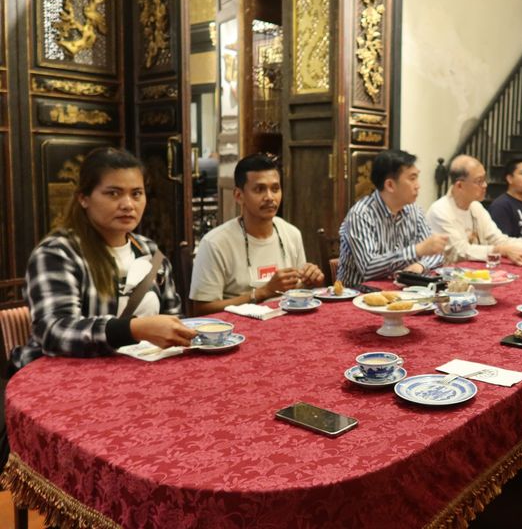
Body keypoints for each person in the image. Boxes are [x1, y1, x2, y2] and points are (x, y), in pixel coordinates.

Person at [12, 147, 196, 373]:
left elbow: (174, 318)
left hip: (139, 372)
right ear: (84, 198)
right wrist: (133, 329)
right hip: (68, 377)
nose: (128, 204)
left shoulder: (149, 252)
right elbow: (54, 331)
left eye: (136, 193)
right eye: (113, 193)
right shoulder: (58, 253)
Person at [190, 153, 324, 314]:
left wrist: (310, 281)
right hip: (239, 327)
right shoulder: (215, 243)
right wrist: (263, 292)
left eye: (275, 189)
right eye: (259, 189)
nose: (270, 197)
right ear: (239, 195)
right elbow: (201, 309)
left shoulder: (291, 233)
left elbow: (298, 290)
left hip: (286, 322)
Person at [338, 149, 448, 286]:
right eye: (412, 178)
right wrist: (416, 251)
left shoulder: (414, 211)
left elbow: (436, 253)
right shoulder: (361, 214)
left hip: (400, 291)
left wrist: (420, 265)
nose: (418, 186)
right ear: (390, 185)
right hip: (359, 294)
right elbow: (368, 268)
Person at [425, 155, 522, 265]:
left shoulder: (476, 207)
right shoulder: (440, 211)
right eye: (479, 181)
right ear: (459, 185)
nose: (485, 185)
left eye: (484, 179)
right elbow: (460, 251)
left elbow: (498, 239)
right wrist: (500, 250)